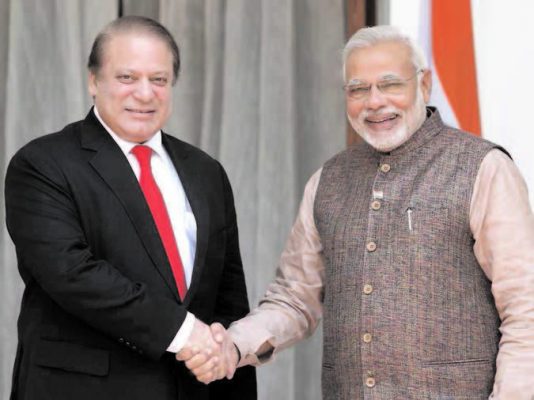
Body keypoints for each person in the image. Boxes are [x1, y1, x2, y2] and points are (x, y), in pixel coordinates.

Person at [183, 25, 534, 399]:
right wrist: (232, 344)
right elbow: (294, 298)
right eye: (358, 89)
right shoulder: (328, 180)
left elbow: (526, 307)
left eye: (390, 84)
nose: (374, 102)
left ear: (424, 85)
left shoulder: (484, 168)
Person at [5, 16, 255, 400]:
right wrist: (187, 334)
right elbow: (73, 274)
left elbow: (228, 295)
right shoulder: (43, 163)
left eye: (158, 80)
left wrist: (222, 350)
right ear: (93, 81)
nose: (144, 93)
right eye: (126, 78)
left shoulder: (205, 171)